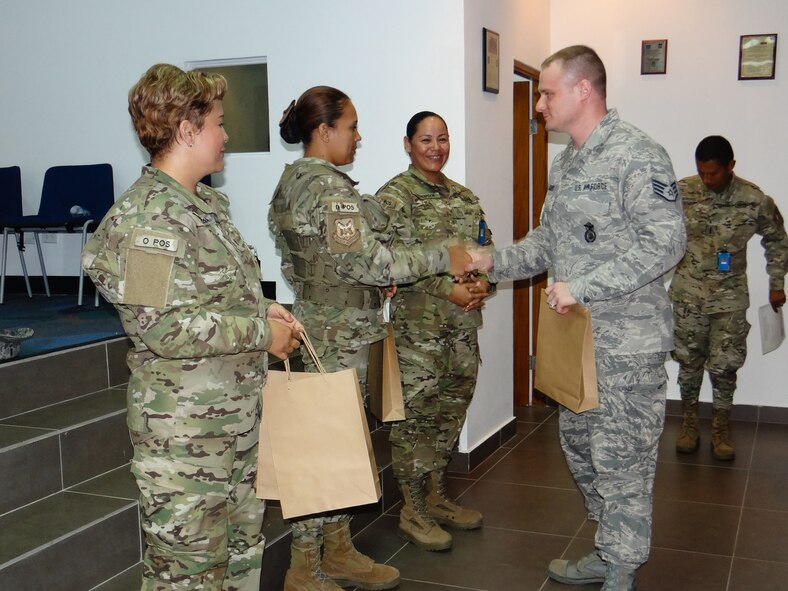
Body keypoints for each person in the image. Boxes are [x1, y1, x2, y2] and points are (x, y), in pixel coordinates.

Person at [465, 46, 686, 591]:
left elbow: (667, 242)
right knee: (582, 452)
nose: (539, 104)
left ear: (584, 90)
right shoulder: (568, 162)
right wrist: (494, 262)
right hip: (576, 342)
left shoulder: (638, 154)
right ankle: (610, 549)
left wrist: (583, 287)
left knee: (622, 464)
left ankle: (622, 571)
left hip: (626, 345)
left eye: (546, 92)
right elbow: (549, 242)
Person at [82, 63, 303, 591]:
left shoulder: (204, 205)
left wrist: (261, 310)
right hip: (185, 439)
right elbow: (160, 327)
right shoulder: (147, 223)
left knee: (240, 557)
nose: (226, 136)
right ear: (186, 129)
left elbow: (214, 295)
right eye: (219, 123)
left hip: (232, 423)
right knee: (187, 575)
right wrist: (259, 334)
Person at [268, 87, 469, 591]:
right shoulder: (328, 190)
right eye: (351, 127)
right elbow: (369, 262)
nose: (358, 137)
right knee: (322, 449)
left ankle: (336, 551)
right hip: (336, 333)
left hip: (330, 320)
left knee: (340, 443)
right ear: (324, 131)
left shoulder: (298, 182)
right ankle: (304, 569)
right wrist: (446, 255)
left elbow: (317, 261)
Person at [374, 111, 491, 552]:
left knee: (450, 415)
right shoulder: (394, 197)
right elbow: (385, 262)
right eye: (426, 140)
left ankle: (436, 495)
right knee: (415, 421)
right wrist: (448, 289)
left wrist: (484, 284)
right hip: (418, 335)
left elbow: (485, 251)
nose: (436, 148)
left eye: (442, 139)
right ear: (408, 144)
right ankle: (412, 509)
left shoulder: (464, 198)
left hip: (462, 332)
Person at [670, 135, 788, 460]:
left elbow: (777, 239)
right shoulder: (681, 192)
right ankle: (689, 423)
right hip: (687, 297)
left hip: (730, 300)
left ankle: (721, 428)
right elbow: (657, 235)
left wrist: (776, 282)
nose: (707, 180)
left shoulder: (753, 199)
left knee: (725, 367)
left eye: (714, 174)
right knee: (688, 363)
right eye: (702, 173)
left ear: (731, 167)